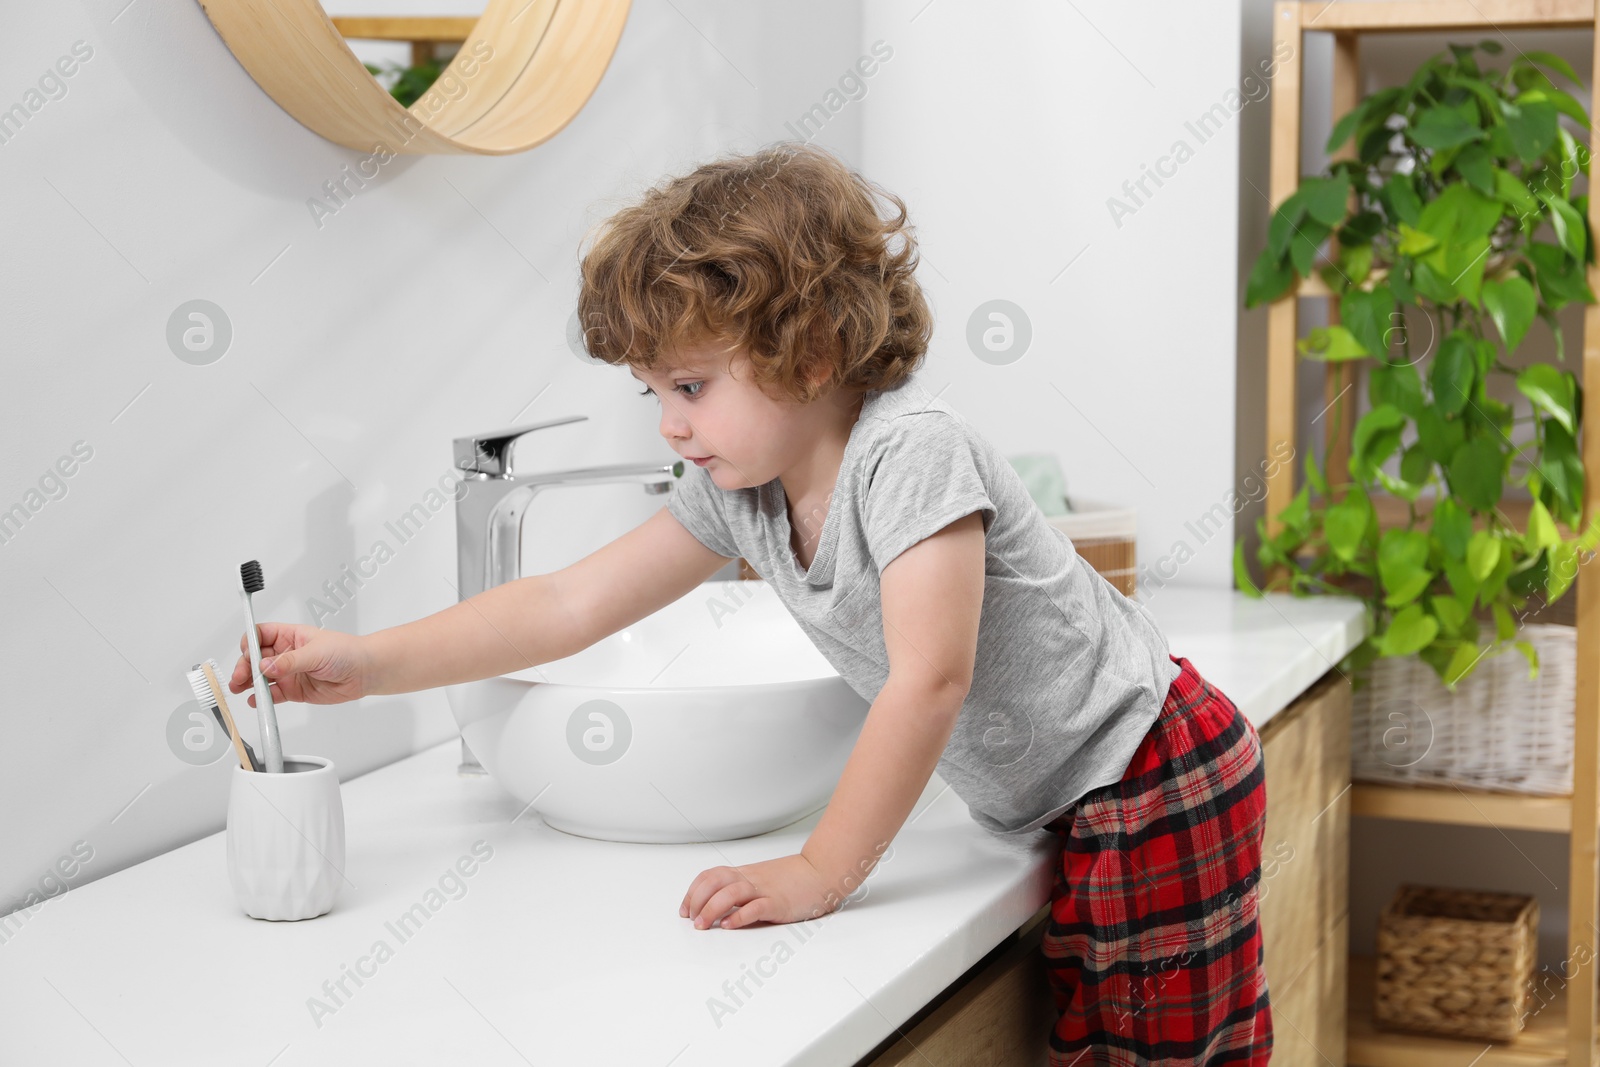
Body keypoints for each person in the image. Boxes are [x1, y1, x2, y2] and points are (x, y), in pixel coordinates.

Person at [230, 141, 1272, 1065]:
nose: (670, 426)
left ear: (809, 350)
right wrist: (365, 662)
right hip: (1070, 794)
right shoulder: (744, 495)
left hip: (1148, 770)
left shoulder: (910, 453)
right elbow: (565, 602)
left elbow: (929, 677)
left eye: (690, 387)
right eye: (655, 395)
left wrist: (825, 868)